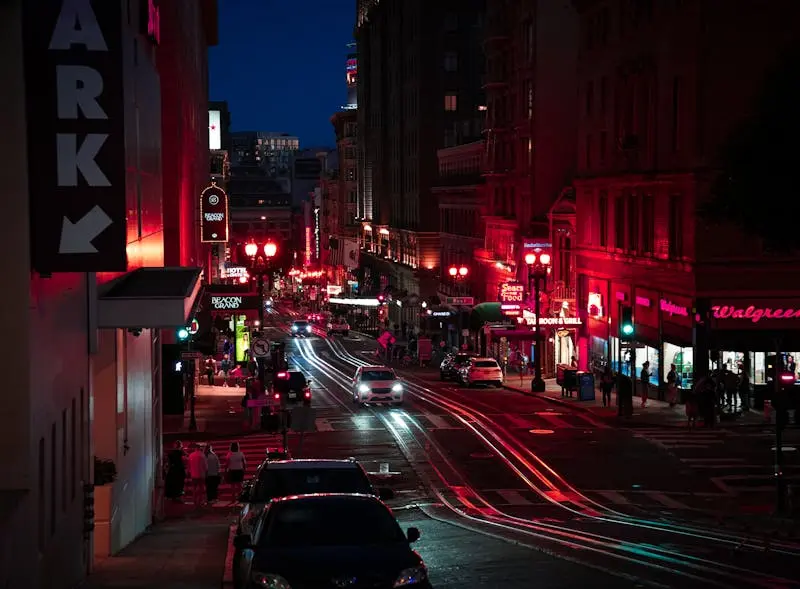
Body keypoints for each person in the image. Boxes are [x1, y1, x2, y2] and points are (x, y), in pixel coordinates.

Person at [187, 443, 208, 507]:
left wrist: (190, 471)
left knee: (194, 488)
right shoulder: (202, 455)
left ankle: (194, 500)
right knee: (201, 488)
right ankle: (200, 500)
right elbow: (205, 466)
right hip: (201, 474)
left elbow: (189, 465)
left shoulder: (191, 455)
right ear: (200, 448)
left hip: (193, 474)